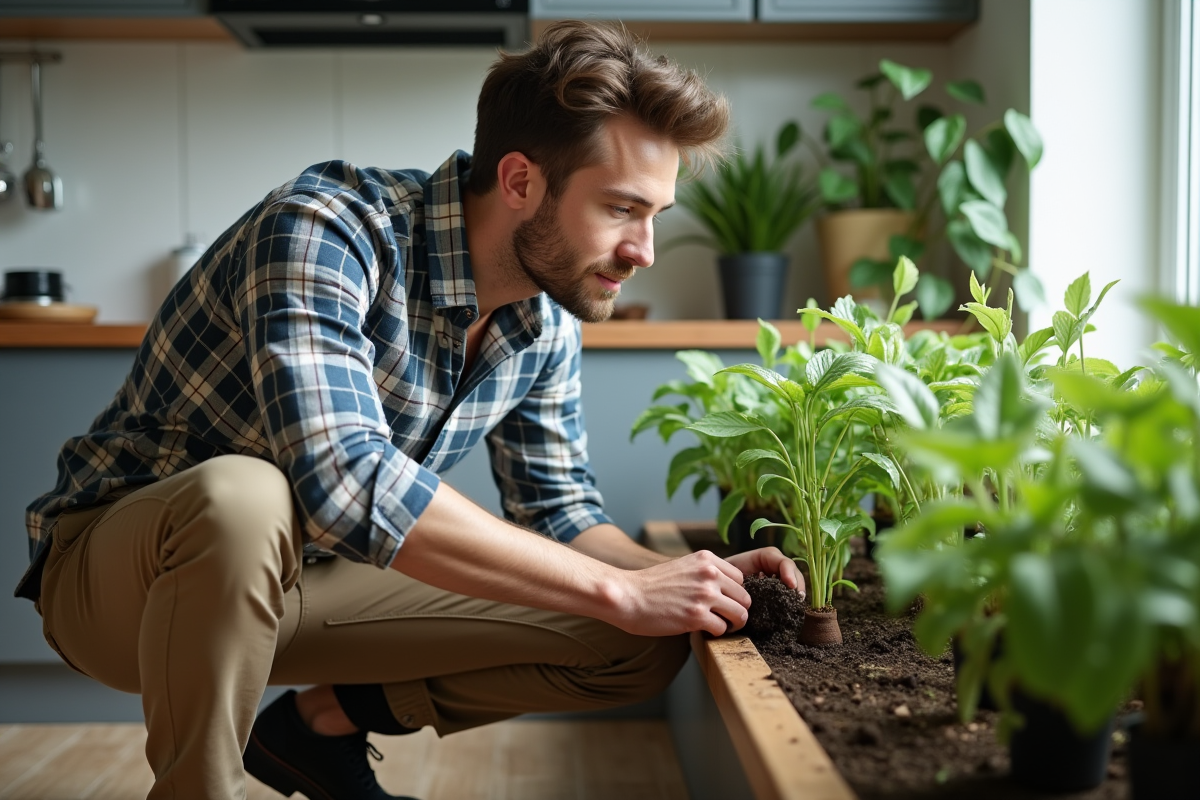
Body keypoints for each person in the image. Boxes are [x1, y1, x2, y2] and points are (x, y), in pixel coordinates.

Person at [15, 19, 805, 800]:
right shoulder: (328, 230)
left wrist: (677, 580)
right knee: (245, 495)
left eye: (655, 216)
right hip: (128, 584)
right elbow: (344, 480)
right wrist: (617, 589)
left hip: (314, 581)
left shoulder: (547, 318)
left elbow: (560, 511)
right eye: (621, 209)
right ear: (521, 182)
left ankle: (318, 728)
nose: (644, 251)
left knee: (640, 640)